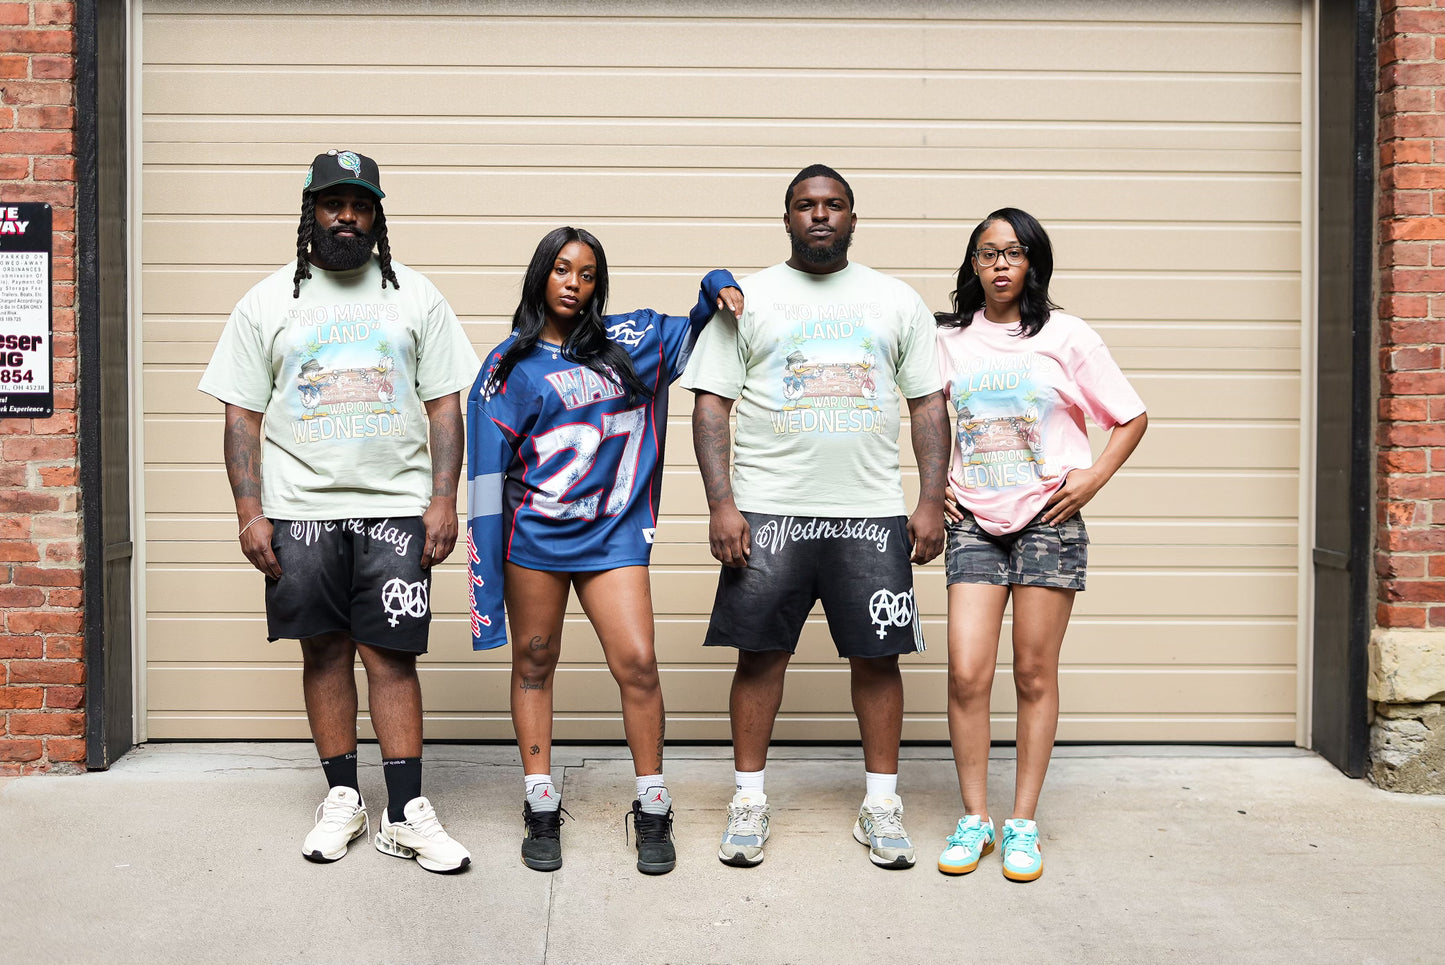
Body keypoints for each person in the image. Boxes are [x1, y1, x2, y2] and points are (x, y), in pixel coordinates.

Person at [198, 150, 479, 873]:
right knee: (323, 649)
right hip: (298, 510)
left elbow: (446, 403)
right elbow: (241, 416)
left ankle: (406, 810)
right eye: (332, 204)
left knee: (391, 655)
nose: (345, 217)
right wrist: (248, 511)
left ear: (377, 215)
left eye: (359, 205)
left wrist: (444, 499)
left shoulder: (416, 296)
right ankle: (343, 797)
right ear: (310, 212)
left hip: (395, 506)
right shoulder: (267, 301)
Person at [681, 164, 949, 870]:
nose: (820, 215)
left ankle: (882, 805)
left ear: (854, 218)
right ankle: (747, 799)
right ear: (787, 217)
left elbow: (926, 402)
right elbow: (711, 401)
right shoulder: (748, 299)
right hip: (769, 510)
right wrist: (721, 504)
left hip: (868, 512)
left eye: (833, 205)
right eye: (806, 205)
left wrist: (928, 498)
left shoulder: (895, 300)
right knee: (760, 657)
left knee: (877, 658)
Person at [466, 226, 741, 875]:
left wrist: (716, 281)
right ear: (541, 275)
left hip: (612, 533)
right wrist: (483, 597)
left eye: (587, 273)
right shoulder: (506, 368)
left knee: (638, 662)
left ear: (598, 283)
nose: (573, 282)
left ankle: (651, 801)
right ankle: (539, 799)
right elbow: (482, 483)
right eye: (562, 269)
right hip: (534, 536)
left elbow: (699, 320)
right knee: (533, 659)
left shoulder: (632, 341)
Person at [932, 208, 1147, 882]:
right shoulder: (946, 340)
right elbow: (924, 416)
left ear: (1033, 263)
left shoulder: (1067, 335)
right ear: (971, 264)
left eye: (1014, 252)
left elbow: (1130, 414)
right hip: (973, 519)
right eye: (987, 252)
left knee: (1031, 673)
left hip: (1047, 520)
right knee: (966, 671)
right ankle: (976, 818)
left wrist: (1093, 477)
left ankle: (1021, 821)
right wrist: (930, 481)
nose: (1000, 263)